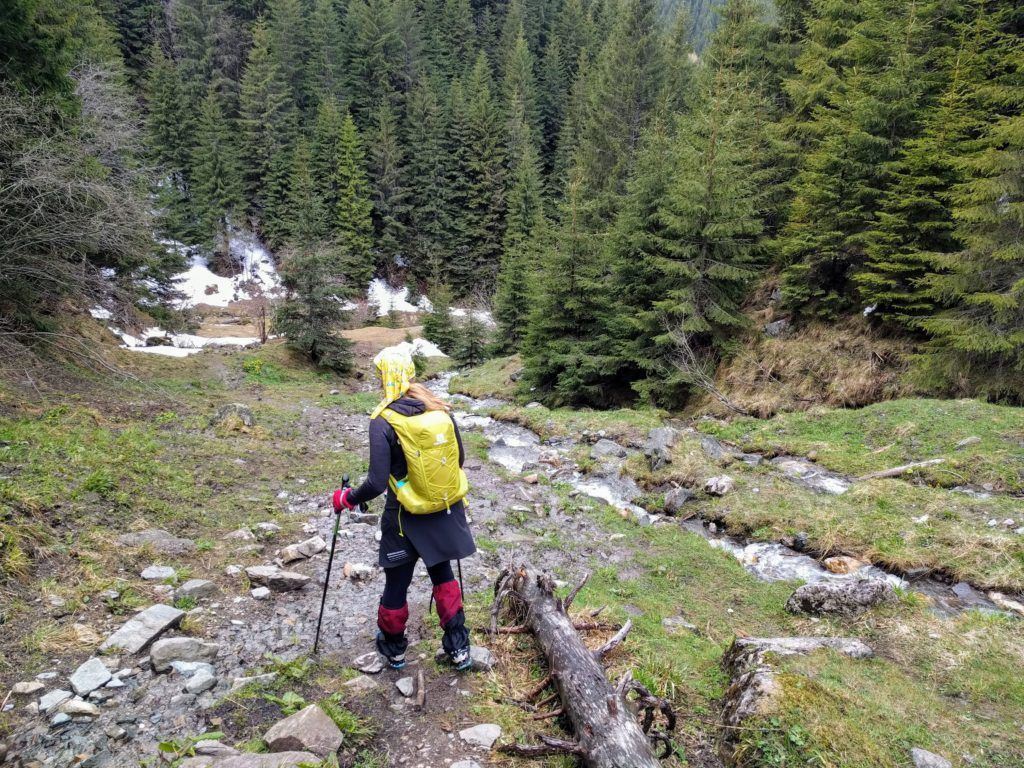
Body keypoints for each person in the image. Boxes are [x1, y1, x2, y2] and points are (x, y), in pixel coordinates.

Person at [333, 347, 476, 670]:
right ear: (409, 374)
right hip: (442, 509)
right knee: (443, 574)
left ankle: (395, 648)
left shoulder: (383, 420)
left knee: (397, 583)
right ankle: (459, 647)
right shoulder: (439, 411)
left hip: (403, 516)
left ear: (386, 377)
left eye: (378, 375)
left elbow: (376, 483)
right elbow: (460, 462)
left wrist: (345, 498)